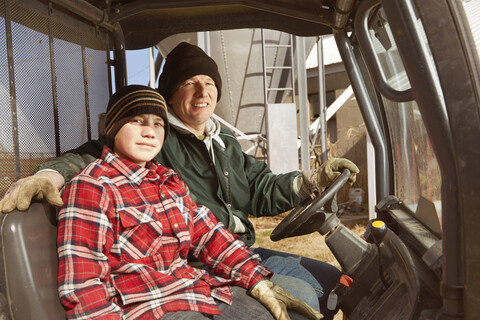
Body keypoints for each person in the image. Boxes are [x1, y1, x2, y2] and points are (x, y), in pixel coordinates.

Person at [0, 42, 359, 316]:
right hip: (195, 266)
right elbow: (92, 157)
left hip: (232, 251)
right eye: (190, 83)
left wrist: (311, 181)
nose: (202, 92)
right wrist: (49, 174)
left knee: (334, 280)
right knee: (306, 292)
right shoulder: (153, 147)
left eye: (208, 82)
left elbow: (260, 187)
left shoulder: (221, 144)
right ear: (171, 94)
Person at [57, 84, 322, 320]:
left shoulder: (169, 182)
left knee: (292, 308)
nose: (149, 132)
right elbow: (83, 284)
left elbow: (209, 235)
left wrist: (257, 279)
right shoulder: (93, 187)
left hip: (191, 290)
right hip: (146, 306)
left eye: (158, 124)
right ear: (113, 127)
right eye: (137, 121)